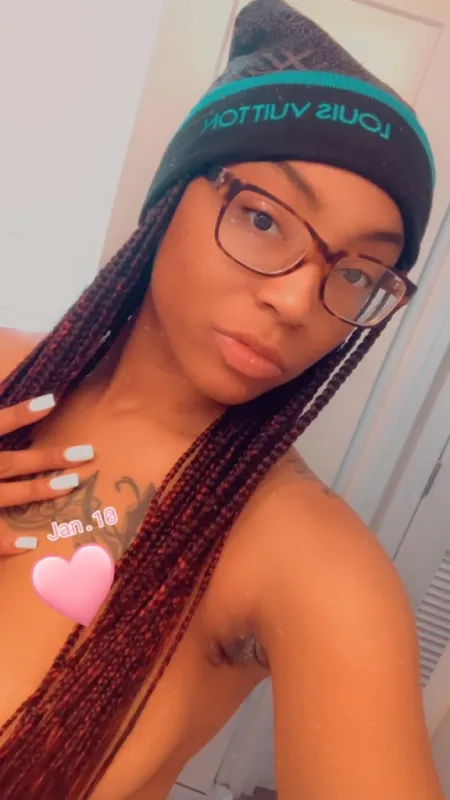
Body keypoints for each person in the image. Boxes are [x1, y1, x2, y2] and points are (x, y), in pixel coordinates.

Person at [0, 1, 444, 798]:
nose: (298, 301)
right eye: (265, 220)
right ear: (171, 198)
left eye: (355, 273)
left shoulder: (310, 563)